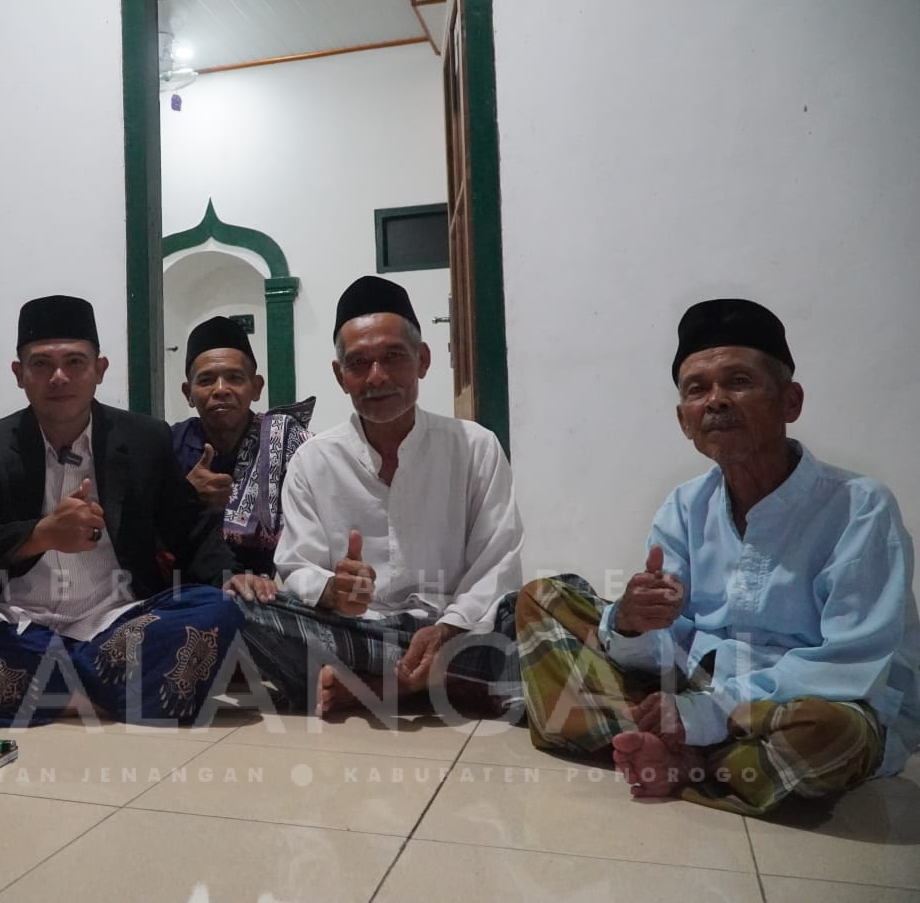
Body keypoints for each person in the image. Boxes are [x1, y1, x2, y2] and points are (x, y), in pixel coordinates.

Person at [517, 298, 920, 815]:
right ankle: (713, 761)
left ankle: (685, 759)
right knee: (543, 599)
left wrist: (702, 715)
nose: (716, 401)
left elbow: (849, 667)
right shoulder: (685, 506)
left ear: (791, 401)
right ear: (683, 421)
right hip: (696, 685)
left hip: (796, 702)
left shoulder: (858, 508)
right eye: (697, 390)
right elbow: (664, 649)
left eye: (739, 381)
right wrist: (633, 623)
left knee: (831, 733)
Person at [0, 295, 244, 727]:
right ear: (19, 374)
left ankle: (42, 691)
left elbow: (190, 530)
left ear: (99, 369)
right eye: (42, 364)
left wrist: (229, 578)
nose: (59, 377)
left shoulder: (143, 438)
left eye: (75, 362)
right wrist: (41, 534)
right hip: (14, 633)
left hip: (115, 627)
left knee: (217, 609)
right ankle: (106, 695)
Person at [237, 276, 527, 718]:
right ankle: (440, 681)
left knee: (538, 608)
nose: (377, 377)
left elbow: (498, 564)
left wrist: (448, 630)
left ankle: (387, 685)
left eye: (393, 356)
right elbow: (297, 566)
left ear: (422, 360)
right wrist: (333, 591)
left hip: (453, 629)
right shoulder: (313, 461)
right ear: (340, 376)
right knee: (240, 608)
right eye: (359, 363)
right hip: (356, 630)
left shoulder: (475, 447)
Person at [170, 315, 313, 592]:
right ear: (188, 393)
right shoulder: (166, 445)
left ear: (256, 387)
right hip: (179, 589)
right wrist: (186, 497)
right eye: (206, 380)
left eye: (234, 378)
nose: (221, 390)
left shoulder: (288, 442)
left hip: (261, 592)